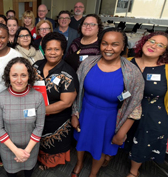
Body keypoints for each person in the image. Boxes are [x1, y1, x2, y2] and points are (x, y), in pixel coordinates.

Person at [71, 28, 144, 177]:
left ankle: (93, 173)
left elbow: (134, 105)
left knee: (101, 149)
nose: (108, 48)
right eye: (104, 43)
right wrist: (75, 113)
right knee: (81, 141)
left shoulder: (131, 72)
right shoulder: (88, 64)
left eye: (115, 44)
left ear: (123, 47)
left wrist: (122, 133)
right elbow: (76, 91)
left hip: (109, 119)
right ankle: (79, 163)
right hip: (86, 112)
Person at [125, 32, 168, 177]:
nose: (154, 46)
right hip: (126, 108)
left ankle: (134, 171)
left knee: (142, 142)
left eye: (160, 45)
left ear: (165, 51)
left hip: (152, 114)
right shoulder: (127, 62)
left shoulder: (166, 69)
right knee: (122, 137)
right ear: (144, 41)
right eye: (152, 41)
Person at [33, 32, 78, 170]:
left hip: (57, 119)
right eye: (49, 49)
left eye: (56, 49)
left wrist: (38, 110)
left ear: (63, 51)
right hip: (36, 116)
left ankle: (49, 163)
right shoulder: (36, 66)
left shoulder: (67, 73)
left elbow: (66, 103)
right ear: (44, 50)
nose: (52, 53)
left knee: (52, 145)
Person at [0, 57, 45, 177]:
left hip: (31, 149)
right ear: (8, 77)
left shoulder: (38, 97)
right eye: (14, 75)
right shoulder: (0, 98)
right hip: (8, 149)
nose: (19, 80)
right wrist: (16, 151)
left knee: (29, 173)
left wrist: (26, 152)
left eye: (23, 75)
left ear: (29, 77)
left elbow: (39, 126)